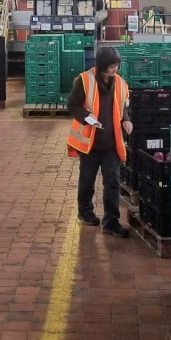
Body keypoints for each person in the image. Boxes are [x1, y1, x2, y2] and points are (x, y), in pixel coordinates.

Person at [66, 46, 133, 238]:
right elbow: (72, 105)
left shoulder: (120, 84)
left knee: (112, 182)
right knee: (87, 180)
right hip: (90, 143)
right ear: (103, 65)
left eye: (117, 66)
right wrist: (86, 117)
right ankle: (85, 212)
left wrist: (126, 120)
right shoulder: (84, 81)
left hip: (111, 143)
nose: (115, 70)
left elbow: (122, 108)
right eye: (112, 66)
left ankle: (111, 221)